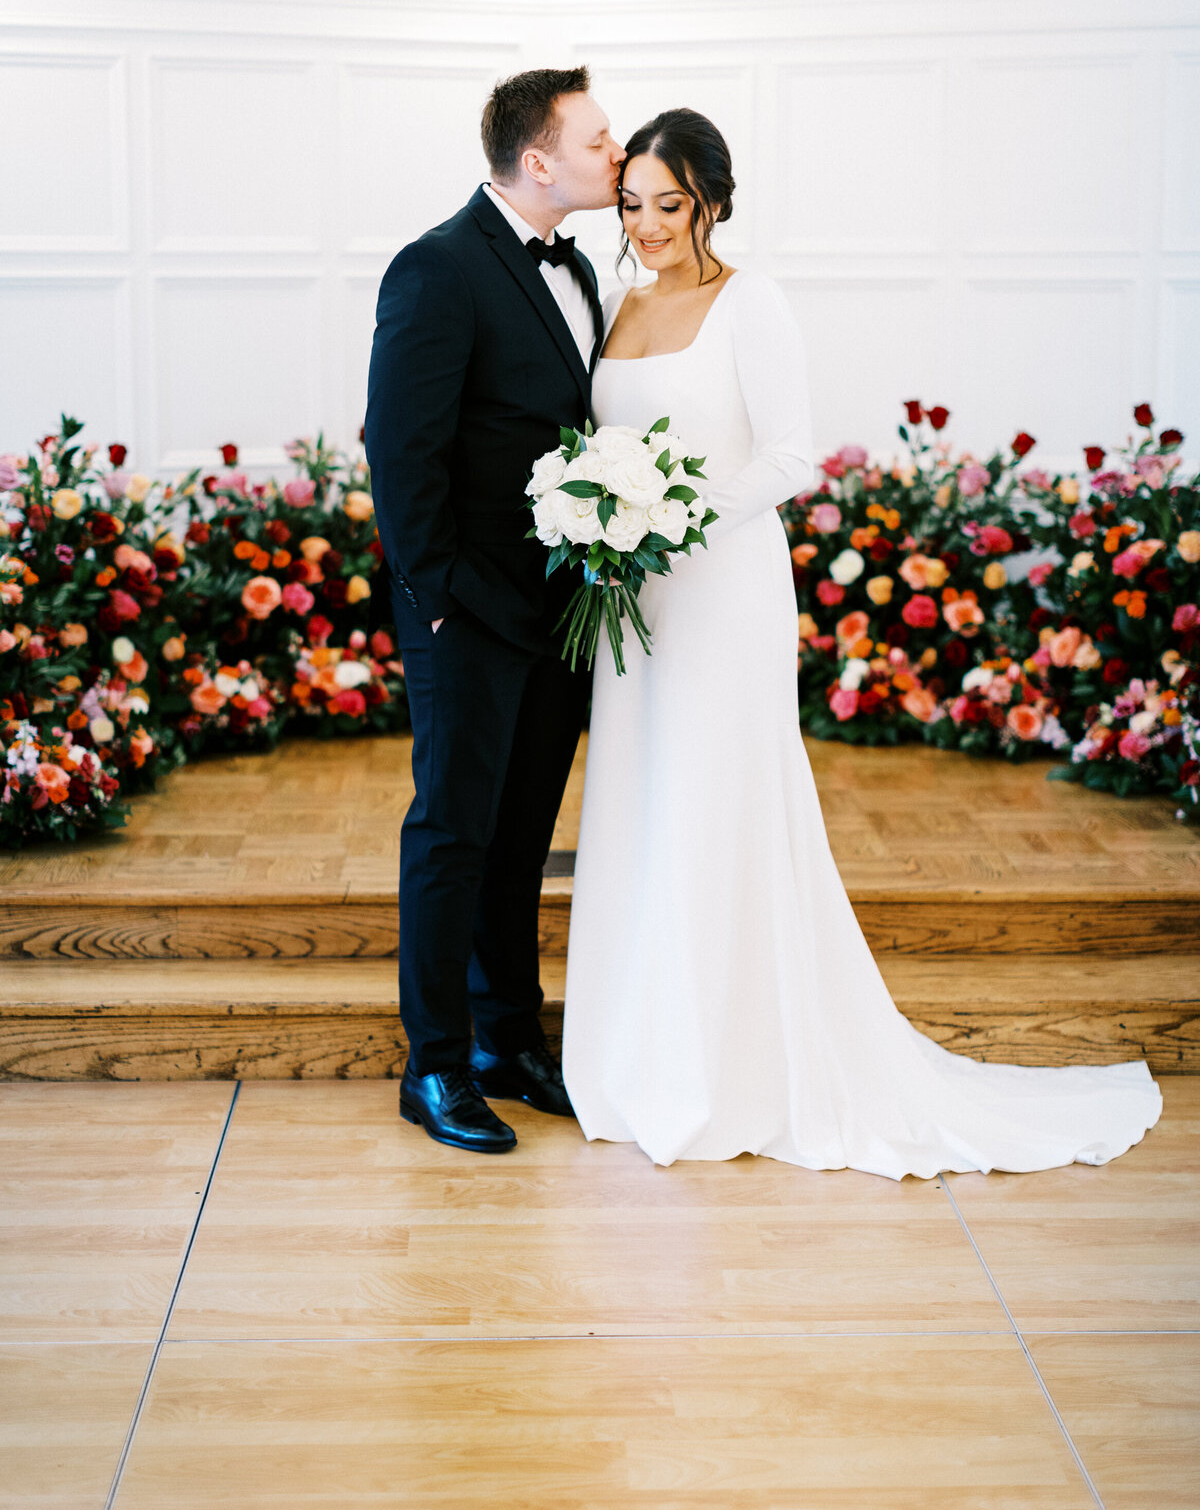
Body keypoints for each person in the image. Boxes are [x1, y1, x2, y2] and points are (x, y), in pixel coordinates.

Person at [561, 107, 1163, 1179]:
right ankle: (636, 1057)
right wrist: (608, 522)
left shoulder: (752, 304)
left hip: (722, 589)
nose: (648, 225)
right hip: (637, 603)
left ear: (710, 200)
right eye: (633, 205)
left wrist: (675, 522)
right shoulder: (617, 300)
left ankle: (732, 1067)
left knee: (717, 798)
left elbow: (791, 458)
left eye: (669, 205)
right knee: (642, 800)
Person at [365, 67, 625, 1153]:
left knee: (520, 838)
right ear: (538, 161)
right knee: (453, 834)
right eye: (600, 141)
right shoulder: (436, 268)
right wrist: (435, 606)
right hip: (466, 615)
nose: (616, 155)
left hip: (555, 615)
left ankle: (504, 1039)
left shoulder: (584, 270)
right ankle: (432, 1066)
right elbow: (400, 448)